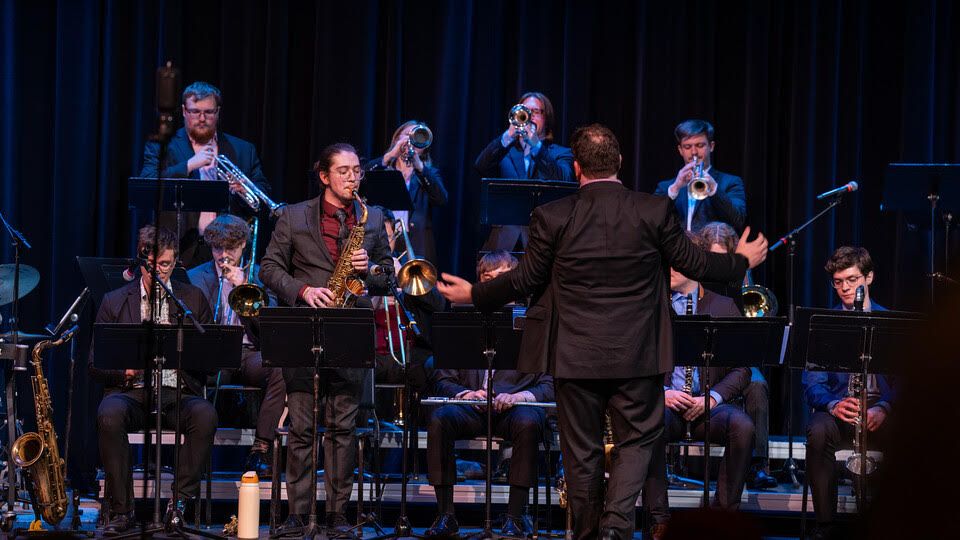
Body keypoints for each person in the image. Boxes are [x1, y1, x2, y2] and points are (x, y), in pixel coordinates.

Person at [438, 124, 768, 539]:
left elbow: (524, 280)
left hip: (574, 356)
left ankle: (589, 534)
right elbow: (698, 265)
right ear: (620, 164)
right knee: (635, 445)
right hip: (638, 356)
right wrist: (740, 261)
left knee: (582, 454)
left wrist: (476, 294)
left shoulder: (552, 216)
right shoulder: (652, 210)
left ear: (576, 168)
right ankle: (614, 529)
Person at [259, 143, 393, 536]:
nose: (353, 178)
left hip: (350, 327)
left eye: (357, 171)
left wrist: (370, 271)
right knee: (302, 426)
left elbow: (388, 275)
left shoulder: (372, 217)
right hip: (306, 325)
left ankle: (337, 513)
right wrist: (302, 291)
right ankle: (298, 514)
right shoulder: (293, 216)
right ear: (324, 176)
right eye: (344, 171)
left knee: (342, 427)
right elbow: (268, 268)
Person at [89, 225, 216, 535]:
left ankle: (178, 505)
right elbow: (95, 364)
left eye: (165, 265)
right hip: (131, 392)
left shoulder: (192, 299)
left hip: (178, 391)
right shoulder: (114, 301)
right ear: (141, 259)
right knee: (108, 414)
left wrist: (189, 357)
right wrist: (126, 372)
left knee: (205, 415)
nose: (157, 271)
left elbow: (212, 363)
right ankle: (122, 510)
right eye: (151, 264)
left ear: (174, 264)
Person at [423, 250, 550, 539]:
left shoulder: (534, 323)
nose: (492, 285)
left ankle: (516, 518)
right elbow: (441, 376)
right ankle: (446, 515)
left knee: (530, 422)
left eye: (500, 279)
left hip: (514, 407)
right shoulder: (463, 320)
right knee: (440, 419)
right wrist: (466, 393)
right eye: (486, 279)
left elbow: (550, 382)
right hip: (472, 406)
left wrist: (520, 397)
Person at [643, 262, 755, 536]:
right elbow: (636, 361)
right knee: (648, 424)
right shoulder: (651, 304)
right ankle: (659, 519)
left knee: (743, 427)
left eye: (674, 263)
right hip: (668, 404)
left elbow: (742, 368)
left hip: (709, 406)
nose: (666, 268)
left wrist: (713, 398)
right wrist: (663, 393)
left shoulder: (724, 307)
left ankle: (723, 518)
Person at [802, 247, 895, 539]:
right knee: (818, 430)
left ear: (869, 277)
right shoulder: (824, 323)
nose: (844, 288)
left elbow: (910, 379)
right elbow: (812, 383)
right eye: (838, 281)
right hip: (841, 411)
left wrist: (886, 408)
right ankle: (825, 525)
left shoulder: (892, 322)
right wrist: (832, 404)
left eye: (852, 280)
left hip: (879, 411)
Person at [186, 214, 284, 477]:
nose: (223, 254)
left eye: (230, 248)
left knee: (279, 370)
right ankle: (191, 454)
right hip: (213, 352)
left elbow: (271, 331)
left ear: (243, 246)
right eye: (218, 248)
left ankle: (261, 448)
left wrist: (244, 287)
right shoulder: (194, 277)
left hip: (247, 352)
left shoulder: (260, 277)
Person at [140, 81, 269, 267]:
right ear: (184, 111)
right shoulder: (162, 146)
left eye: (208, 112)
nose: (202, 118)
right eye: (195, 112)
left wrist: (243, 189)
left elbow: (262, 192)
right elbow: (147, 183)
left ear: (217, 112)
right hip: (180, 246)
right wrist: (189, 165)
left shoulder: (243, 150)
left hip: (227, 247)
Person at [695, 222, 778, 489]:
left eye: (724, 257)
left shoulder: (740, 274)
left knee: (757, 383)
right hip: (701, 351)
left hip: (732, 353)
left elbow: (756, 315)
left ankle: (758, 464)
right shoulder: (696, 275)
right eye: (714, 256)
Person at [475, 91, 575, 251]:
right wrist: (508, 136)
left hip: (543, 242)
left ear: (546, 117)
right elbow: (481, 166)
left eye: (535, 111)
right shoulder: (505, 152)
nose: (529, 116)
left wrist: (536, 145)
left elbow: (565, 179)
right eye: (525, 111)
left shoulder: (560, 153)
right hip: (504, 243)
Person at [365, 121, 448, 264]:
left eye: (416, 137)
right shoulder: (383, 169)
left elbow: (441, 199)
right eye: (407, 136)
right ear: (397, 139)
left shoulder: (428, 173)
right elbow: (363, 178)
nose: (411, 141)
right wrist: (390, 155)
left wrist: (420, 167)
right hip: (385, 237)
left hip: (417, 242)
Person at [653, 119, 747, 233]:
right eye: (687, 147)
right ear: (680, 150)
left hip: (710, 250)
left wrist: (714, 190)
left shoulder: (731, 182)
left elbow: (738, 221)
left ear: (711, 146)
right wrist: (675, 188)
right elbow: (652, 221)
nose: (694, 152)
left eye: (700, 145)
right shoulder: (665, 187)